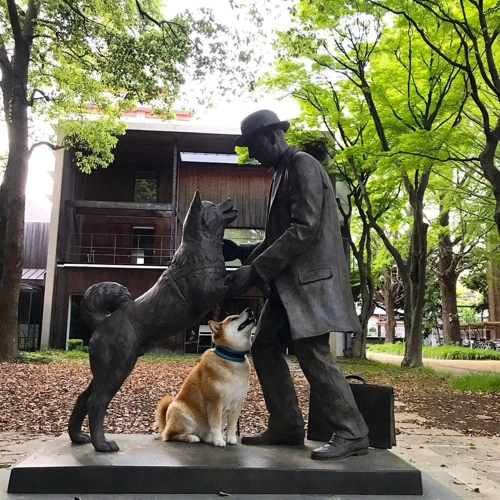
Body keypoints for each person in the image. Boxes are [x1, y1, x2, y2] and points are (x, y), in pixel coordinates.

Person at [223, 110, 369, 460]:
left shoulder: (302, 164)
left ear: (272, 137)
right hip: (289, 288)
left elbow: (302, 230)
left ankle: (353, 432)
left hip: (309, 284)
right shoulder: (281, 173)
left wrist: (255, 270)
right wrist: (242, 251)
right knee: (264, 347)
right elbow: (277, 237)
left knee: (314, 354)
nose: (254, 155)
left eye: (255, 147)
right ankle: (287, 426)